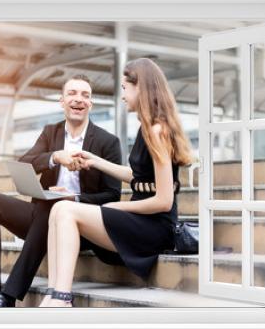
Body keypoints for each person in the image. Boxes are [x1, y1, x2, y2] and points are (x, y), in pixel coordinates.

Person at [39, 58, 192, 307]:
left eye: (124, 88)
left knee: (65, 209)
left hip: (154, 228)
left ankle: (62, 297)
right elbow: (139, 177)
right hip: (141, 221)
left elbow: (164, 202)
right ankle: (53, 294)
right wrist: (96, 161)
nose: (122, 95)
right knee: (58, 208)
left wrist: (117, 207)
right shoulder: (147, 128)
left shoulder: (158, 130)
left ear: (139, 87)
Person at [0, 74, 122, 307]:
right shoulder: (51, 132)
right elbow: (25, 161)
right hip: (41, 219)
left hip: (79, 226)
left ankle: (9, 295)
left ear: (90, 104)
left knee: (54, 204)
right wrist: (54, 157)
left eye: (85, 95)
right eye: (72, 93)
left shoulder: (108, 142)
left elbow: (112, 196)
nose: (78, 99)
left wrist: (72, 199)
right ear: (62, 101)